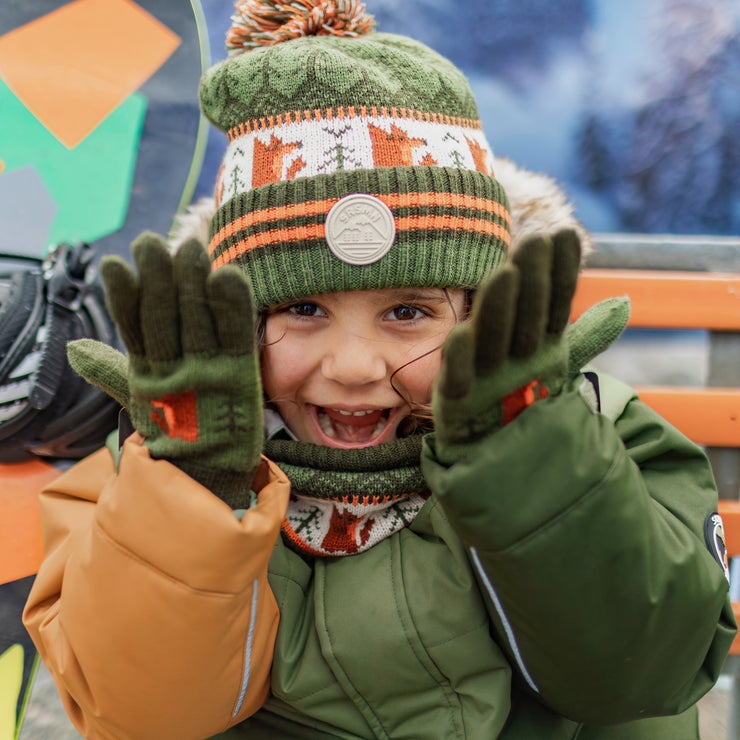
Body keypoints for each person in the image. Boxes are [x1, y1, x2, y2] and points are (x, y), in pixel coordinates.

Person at [22, 1, 735, 738]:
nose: (356, 367)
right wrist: (196, 486)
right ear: (236, 324)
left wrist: (533, 460)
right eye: (302, 308)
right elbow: (145, 714)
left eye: (406, 313)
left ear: (479, 311)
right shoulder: (146, 470)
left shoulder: (595, 429)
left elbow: (645, 677)